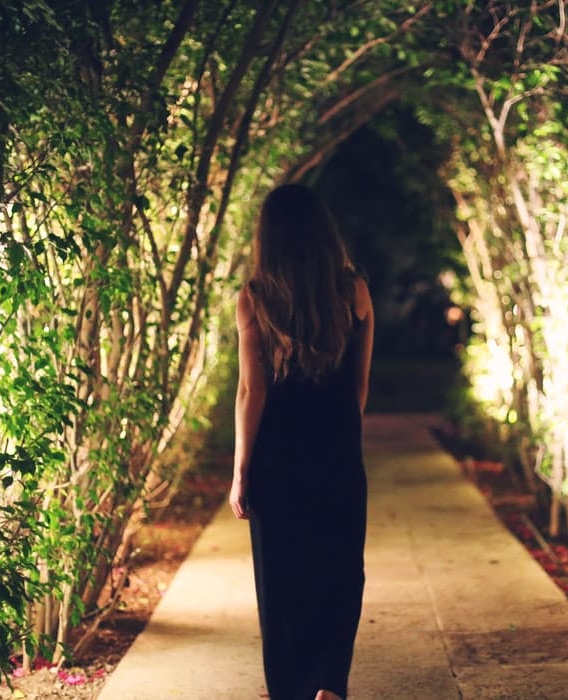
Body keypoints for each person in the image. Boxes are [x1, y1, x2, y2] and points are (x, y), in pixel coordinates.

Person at [229, 183, 374, 700]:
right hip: (336, 448)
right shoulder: (353, 290)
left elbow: (252, 389)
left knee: (282, 579)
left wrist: (242, 469)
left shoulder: (256, 296)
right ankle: (331, 684)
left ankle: (289, 687)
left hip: (277, 457)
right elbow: (359, 384)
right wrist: (338, 436)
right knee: (340, 567)